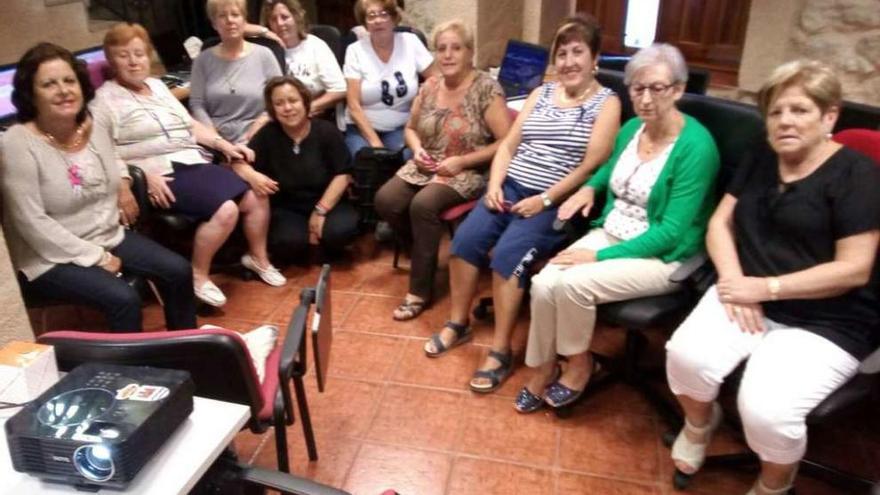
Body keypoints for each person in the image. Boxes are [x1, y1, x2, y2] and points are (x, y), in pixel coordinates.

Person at [664, 60, 880, 495]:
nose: (785, 121)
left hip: (829, 317)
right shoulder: (764, 156)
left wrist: (765, 288)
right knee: (685, 358)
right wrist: (734, 283)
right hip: (746, 289)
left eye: (799, 110)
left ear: (830, 117)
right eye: (776, 111)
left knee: (766, 410)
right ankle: (700, 424)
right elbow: (719, 224)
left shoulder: (859, 174)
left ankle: (774, 485)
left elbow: (854, 268)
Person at [516, 44, 720, 413]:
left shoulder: (696, 147)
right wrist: (589, 188)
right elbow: (609, 168)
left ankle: (580, 364)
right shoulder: (631, 129)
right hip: (613, 230)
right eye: (637, 88)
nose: (644, 98)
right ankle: (545, 366)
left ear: (677, 89)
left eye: (656, 88)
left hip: (661, 254)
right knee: (544, 281)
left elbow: (671, 233)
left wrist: (597, 255)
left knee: (574, 284)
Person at [425, 14, 621, 394]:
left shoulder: (606, 103)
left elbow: (592, 164)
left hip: (555, 202)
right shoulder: (541, 94)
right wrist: (495, 184)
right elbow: (510, 145)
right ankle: (458, 323)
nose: (568, 61)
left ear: (595, 57)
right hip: (511, 186)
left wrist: (544, 199)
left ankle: (501, 351)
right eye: (561, 53)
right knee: (465, 243)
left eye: (578, 52)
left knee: (508, 256)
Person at [0, 42, 196, 331]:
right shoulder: (17, 143)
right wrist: (95, 257)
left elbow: (113, 163)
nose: (64, 90)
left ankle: (187, 351)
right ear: (31, 94)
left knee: (178, 270)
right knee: (124, 299)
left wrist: (123, 185)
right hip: (47, 257)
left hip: (106, 235)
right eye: (49, 84)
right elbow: (30, 223)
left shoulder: (94, 126)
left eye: (69, 80)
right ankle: (128, 374)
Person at [92, 23, 285, 308]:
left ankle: (258, 258)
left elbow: (190, 125)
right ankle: (197, 275)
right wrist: (140, 176)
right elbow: (102, 150)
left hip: (192, 160)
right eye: (124, 55)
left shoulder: (157, 86)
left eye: (139, 54)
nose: (133, 61)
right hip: (160, 172)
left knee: (257, 194)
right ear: (111, 61)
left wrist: (223, 145)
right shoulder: (104, 101)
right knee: (227, 209)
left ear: (148, 56)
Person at [373, 20, 511, 321]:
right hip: (428, 162)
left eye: (456, 48)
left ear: (469, 52)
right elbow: (410, 129)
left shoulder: (486, 89)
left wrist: (463, 161)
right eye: (442, 49)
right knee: (386, 200)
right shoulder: (431, 85)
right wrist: (418, 150)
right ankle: (425, 253)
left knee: (423, 205)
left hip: (469, 169)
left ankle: (419, 291)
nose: (447, 55)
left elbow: (506, 141)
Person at [240, 76, 359, 261]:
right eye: (279, 103)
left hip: (328, 202)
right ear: (273, 109)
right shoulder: (267, 134)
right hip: (287, 207)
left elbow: (343, 174)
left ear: (305, 102)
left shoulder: (326, 131)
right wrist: (251, 175)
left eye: (293, 100)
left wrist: (320, 210)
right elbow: (239, 161)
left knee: (340, 232)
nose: (287, 108)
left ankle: (321, 244)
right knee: (288, 243)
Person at [342, 0, 436, 156]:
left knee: (406, 158)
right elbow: (353, 105)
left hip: (400, 126)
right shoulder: (355, 50)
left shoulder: (410, 42)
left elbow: (437, 78)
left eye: (384, 14)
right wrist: (376, 143)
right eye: (371, 16)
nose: (378, 20)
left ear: (394, 18)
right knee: (366, 161)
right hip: (362, 128)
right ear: (365, 23)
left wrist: (422, 100)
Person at [189, 0, 282, 145]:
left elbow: (279, 98)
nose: (230, 20)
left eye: (235, 14)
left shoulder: (265, 55)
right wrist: (214, 137)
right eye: (222, 16)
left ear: (244, 20)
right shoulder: (202, 61)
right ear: (214, 23)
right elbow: (197, 104)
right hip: (218, 139)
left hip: (261, 134)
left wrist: (261, 122)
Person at [245, 0, 347, 118]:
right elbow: (231, 28)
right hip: (274, 118)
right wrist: (264, 32)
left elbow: (340, 89)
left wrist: (307, 108)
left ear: (297, 17)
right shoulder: (265, 49)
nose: (280, 23)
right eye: (273, 19)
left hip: (310, 116)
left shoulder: (315, 45)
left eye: (285, 17)